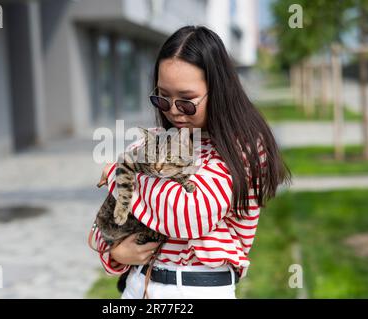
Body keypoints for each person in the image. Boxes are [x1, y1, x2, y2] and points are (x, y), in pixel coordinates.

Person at [90, 25, 291, 299]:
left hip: (196, 288)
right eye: (162, 97)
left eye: (186, 101)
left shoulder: (242, 147)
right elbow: (101, 227)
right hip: (139, 285)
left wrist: (119, 174)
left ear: (218, 91)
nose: (173, 111)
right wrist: (115, 253)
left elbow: (189, 214)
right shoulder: (160, 138)